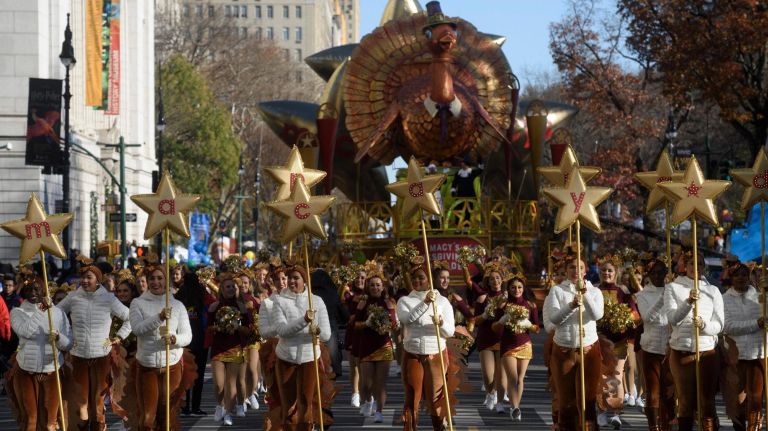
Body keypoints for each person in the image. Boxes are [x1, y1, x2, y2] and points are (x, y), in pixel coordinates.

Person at [57, 257, 131, 431]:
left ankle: (99, 426)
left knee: (97, 404)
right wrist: (65, 336)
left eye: (89, 277)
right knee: (81, 405)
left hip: (101, 357)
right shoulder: (73, 297)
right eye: (83, 277)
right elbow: (56, 314)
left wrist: (118, 337)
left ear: (98, 279)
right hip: (78, 356)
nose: (85, 280)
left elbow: (130, 318)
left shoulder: (108, 299)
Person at [129, 265, 194, 431]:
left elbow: (187, 336)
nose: (156, 282)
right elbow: (137, 329)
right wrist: (159, 317)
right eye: (152, 278)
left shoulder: (178, 305)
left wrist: (174, 339)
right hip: (147, 367)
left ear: (166, 280)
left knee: (166, 417)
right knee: (147, 420)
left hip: (171, 366)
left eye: (160, 278)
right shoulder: (137, 303)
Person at [543, 255, 604, 431]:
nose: (576, 271)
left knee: (588, 402)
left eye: (580, 267)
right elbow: (554, 319)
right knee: (566, 403)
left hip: (589, 349)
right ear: (566, 270)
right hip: (563, 350)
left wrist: (585, 296)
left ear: (586, 271)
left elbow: (597, 315)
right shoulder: (557, 291)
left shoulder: (595, 292)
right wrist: (571, 305)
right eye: (572, 267)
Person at [665, 252, 724, 431]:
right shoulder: (673, 288)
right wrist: (689, 301)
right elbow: (673, 319)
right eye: (691, 263)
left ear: (704, 267)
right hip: (681, 352)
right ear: (685, 265)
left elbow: (720, 324)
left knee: (707, 401)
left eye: (699, 264)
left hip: (707, 351)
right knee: (685, 401)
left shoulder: (713, 290)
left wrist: (705, 326)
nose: (695, 267)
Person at [7, 277, 72, 431]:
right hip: (26, 370)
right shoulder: (17, 312)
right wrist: (42, 310)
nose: (33, 293)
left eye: (37, 289)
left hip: (52, 369)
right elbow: (25, 332)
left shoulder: (58, 313)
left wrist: (58, 338)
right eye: (29, 290)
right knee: (31, 420)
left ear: (44, 290)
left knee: (50, 422)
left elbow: (69, 343)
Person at [271, 264, 332, 431]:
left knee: (306, 405)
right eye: (289, 277)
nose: (291, 281)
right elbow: (282, 330)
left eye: (296, 278)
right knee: (289, 408)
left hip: (309, 358)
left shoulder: (316, 301)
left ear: (304, 280)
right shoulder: (279, 301)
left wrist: (316, 331)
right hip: (286, 359)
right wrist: (304, 321)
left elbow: (326, 334)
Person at [397, 259, 455, 431]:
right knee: (412, 397)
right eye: (414, 278)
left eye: (421, 278)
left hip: (436, 354)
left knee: (435, 399)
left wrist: (442, 323)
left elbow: (450, 332)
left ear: (429, 279)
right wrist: (426, 303)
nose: (417, 281)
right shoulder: (404, 301)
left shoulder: (443, 302)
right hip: (412, 354)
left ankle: (440, 427)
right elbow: (407, 319)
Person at [595, 254, 639, 429]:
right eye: (604, 270)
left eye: (610, 270)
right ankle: (602, 411)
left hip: (620, 339)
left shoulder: (623, 291)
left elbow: (634, 314)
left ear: (616, 273)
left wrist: (625, 319)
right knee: (603, 376)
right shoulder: (595, 291)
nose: (607, 273)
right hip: (601, 339)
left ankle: (616, 413)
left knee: (617, 375)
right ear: (600, 272)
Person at [352, 268, 399, 423]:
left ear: (382, 287)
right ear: (368, 286)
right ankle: (368, 401)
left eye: (378, 285)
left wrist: (386, 324)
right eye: (372, 285)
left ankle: (379, 411)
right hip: (366, 346)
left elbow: (393, 324)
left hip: (384, 346)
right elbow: (355, 325)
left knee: (380, 383)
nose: (375, 288)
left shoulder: (389, 302)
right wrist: (366, 323)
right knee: (366, 383)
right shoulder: (363, 303)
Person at [723, 262, 764, 431]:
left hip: (757, 353)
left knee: (755, 398)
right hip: (735, 355)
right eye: (737, 275)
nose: (741, 278)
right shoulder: (724, 299)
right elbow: (728, 326)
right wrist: (756, 324)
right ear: (731, 278)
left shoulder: (759, 296)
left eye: (744, 275)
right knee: (737, 400)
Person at [635, 258, 675, 431]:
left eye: (662, 272)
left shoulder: (672, 291)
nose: (658, 276)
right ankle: (653, 426)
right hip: (651, 347)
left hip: (670, 346)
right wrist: (662, 299)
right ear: (649, 275)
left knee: (669, 392)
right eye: (654, 273)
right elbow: (647, 317)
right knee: (653, 392)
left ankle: (667, 425)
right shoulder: (642, 295)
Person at [494, 272, 539, 422]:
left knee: (520, 379)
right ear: (509, 289)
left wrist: (528, 325)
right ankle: (514, 407)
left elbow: (538, 328)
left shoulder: (530, 305)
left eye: (519, 287)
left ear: (523, 288)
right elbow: (494, 328)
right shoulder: (503, 305)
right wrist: (503, 320)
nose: (516, 290)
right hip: (507, 344)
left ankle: (515, 407)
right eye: (513, 287)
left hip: (525, 344)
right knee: (512, 378)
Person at [209, 273, 253, 426]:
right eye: (227, 286)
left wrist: (237, 326)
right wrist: (218, 326)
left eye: (233, 286)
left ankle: (228, 412)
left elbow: (248, 331)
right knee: (218, 384)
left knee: (231, 383)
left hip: (235, 348)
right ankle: (220, 406)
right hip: (218, 349)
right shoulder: (214, 307)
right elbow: (207, 329)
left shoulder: (242, 307)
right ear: (221, 289)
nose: (231, 289)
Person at [473, 263, 507, 413]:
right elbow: (475, 321)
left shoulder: (507, 297)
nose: (495, 281)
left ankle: (500, 402)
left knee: (501, 374)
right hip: (486, 339)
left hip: (503, 339)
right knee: (488, 375)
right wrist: (485, 314)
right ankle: (490, 393)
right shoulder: (482, 298)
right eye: (492, 279)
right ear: (488, 281)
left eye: (498, 278)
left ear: (502, 280)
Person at [176, 272, 210, 417]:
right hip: (200, 340)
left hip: (184, 341)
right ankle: (196, 407)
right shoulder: (202, 293)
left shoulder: (179, 296)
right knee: (199, 375)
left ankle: (184, 407)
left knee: (185, 375)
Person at [311, 268, 348, 379]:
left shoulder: (310, 294)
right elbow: (342, 313)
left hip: (314, 325)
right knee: (332, 352)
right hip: (330, 324)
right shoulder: (333, 294)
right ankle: (334, 370)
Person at [343, 267, 367, 408]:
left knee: (365, 365)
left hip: (367, 332)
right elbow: (344, 312)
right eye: (357, 277)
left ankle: (367, 394)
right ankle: (355, 393)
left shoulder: (371, 293)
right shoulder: (349, 294)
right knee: (354, 364)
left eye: (363, 278)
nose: (359, 280)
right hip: (353, 332)